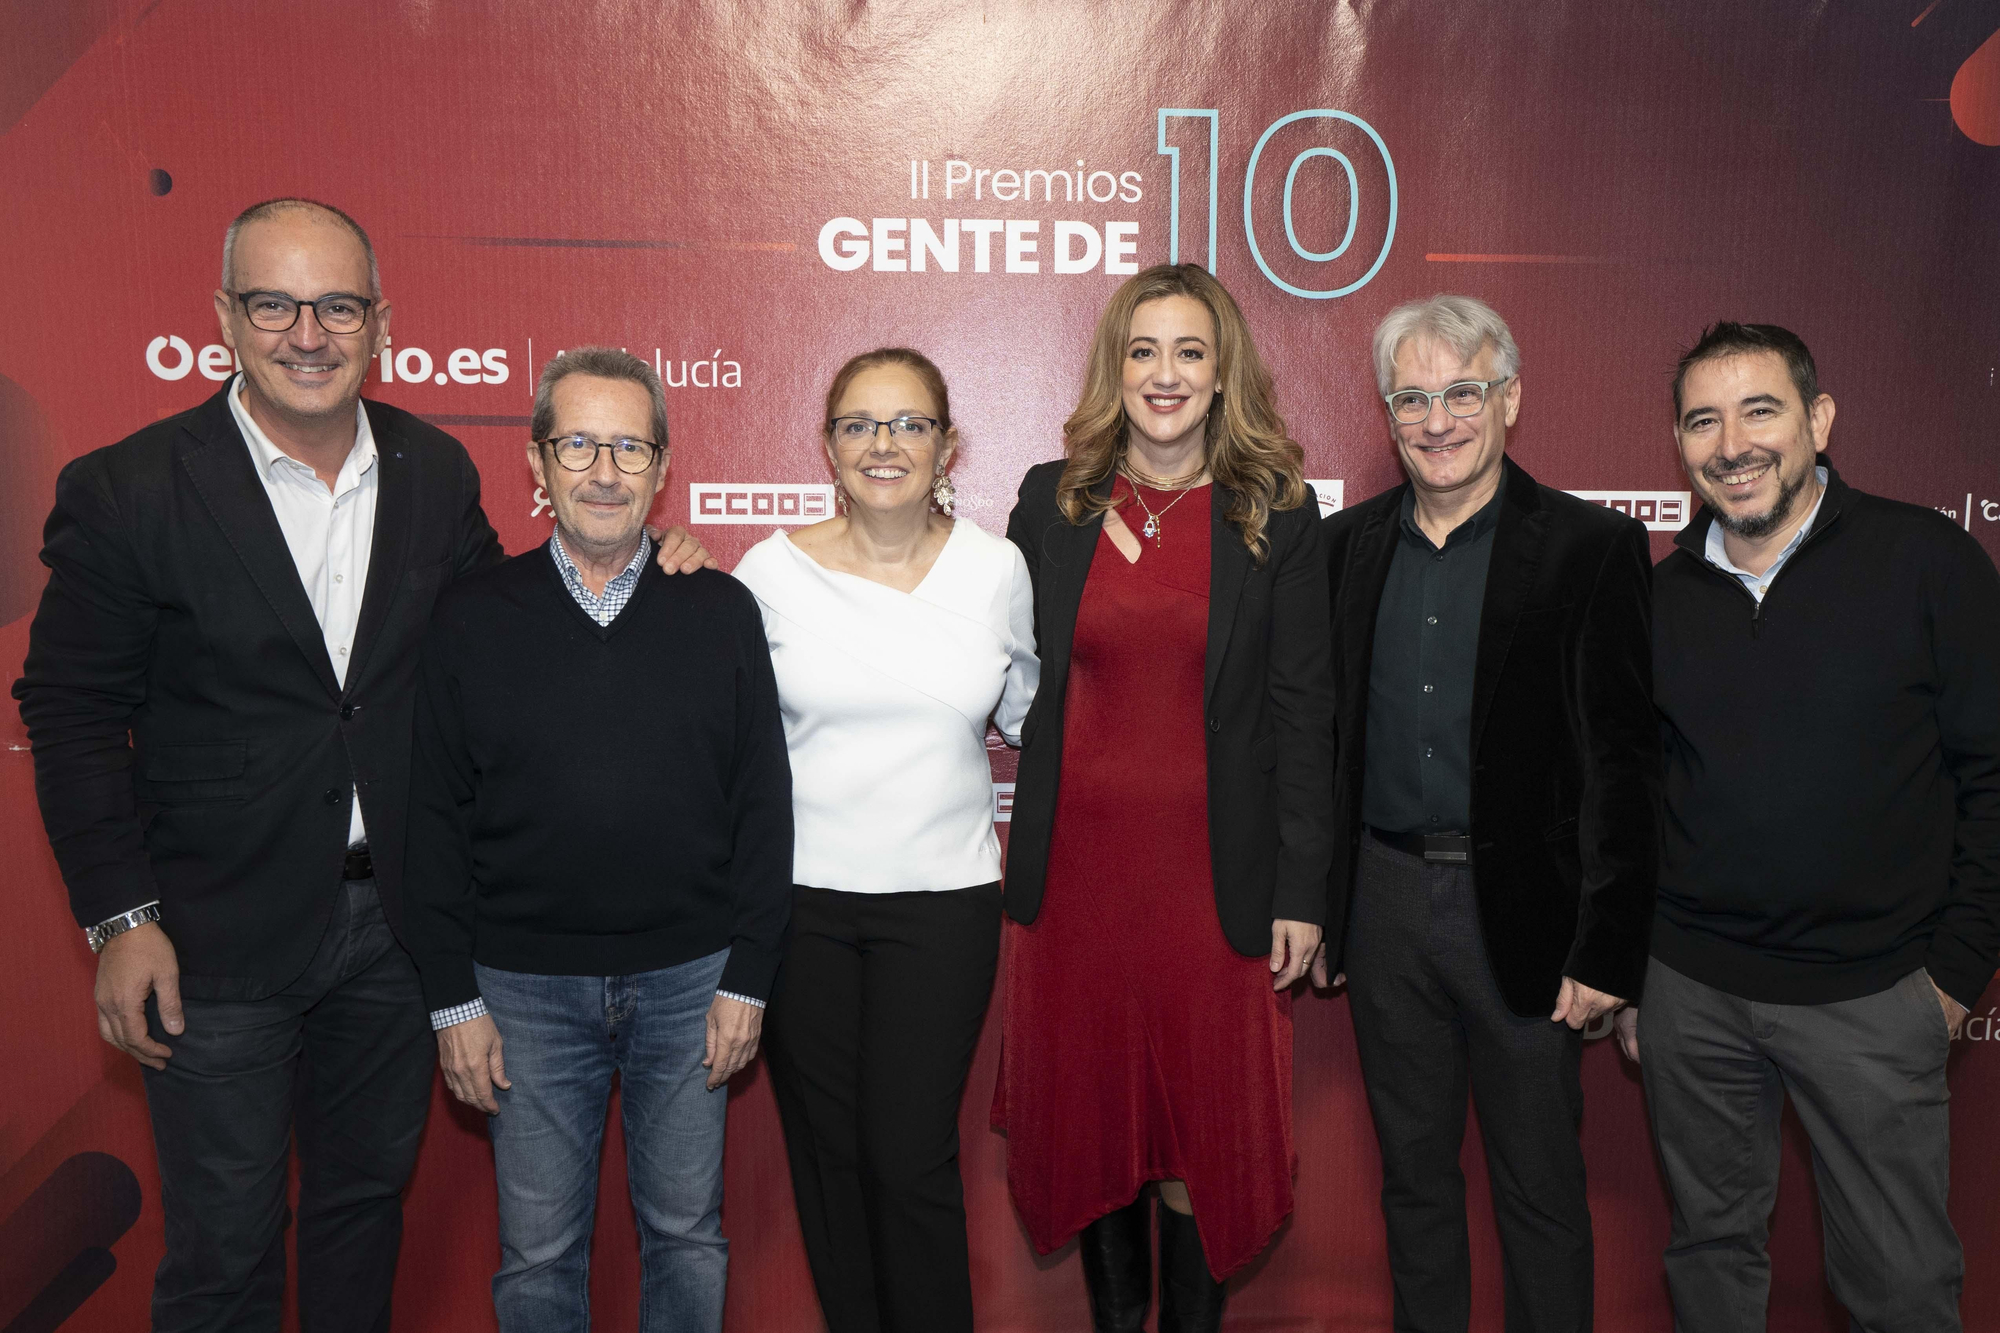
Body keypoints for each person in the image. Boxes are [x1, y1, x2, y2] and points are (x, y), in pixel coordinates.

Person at [10, 198, 711, 1332]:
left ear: (379, 321)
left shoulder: (432, 472)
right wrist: (119, 917)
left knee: (360, 1216)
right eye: (273, 303)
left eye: (336, 305)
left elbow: (514, 624)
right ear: (225, 319)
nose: (307, 332)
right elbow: (71, 709)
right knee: (224, 1246)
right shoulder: (129, 487)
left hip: (395, 934)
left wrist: (648, 557)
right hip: (210, 938)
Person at [1615, 322, 2000, 1332]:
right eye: (1702, 420)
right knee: (1708, 1265)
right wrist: (1634, 970)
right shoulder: (1655, 599)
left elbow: (1993, 775)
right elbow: (1634, 798)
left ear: (1818, 420)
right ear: (1677, 443)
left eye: (1758, 410)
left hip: (1872, 994)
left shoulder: (1924, 560)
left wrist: (1954, 973)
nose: (1730, 444)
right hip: (1691, 994)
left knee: (1900, 1285)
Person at [402, 347, 790, 1333]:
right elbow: (432, 821)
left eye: (629, 446)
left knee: (687, 1238)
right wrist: (453, 999)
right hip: (522, 993)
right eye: (578, 443)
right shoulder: (470, 615)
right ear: (536, 464)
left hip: (690, 983)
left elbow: (762, 805)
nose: (604, 470)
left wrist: (746, 978)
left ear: (662, 469)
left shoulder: (719, 609)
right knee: (535, 1257)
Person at [994, 262, 1334, 1333]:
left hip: (1213, 892)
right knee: (1098, 1134)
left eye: (1189, 350)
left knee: (1197, 1137)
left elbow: (1302, 715)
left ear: (1222, 368)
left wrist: (1302, 888)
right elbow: (976, 636)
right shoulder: (1050, 500)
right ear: (1114, 366)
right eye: (1142, 350)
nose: (1165, 373)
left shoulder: (1274, 511)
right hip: (1078, 893)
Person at [1317, 294, 1659, 1332]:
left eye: (1461, 392)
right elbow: (1320, 745)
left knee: (1537, 1189)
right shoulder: (1342, 549)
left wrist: (1606, 947)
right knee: (1411, 1182)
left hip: (1523, 910)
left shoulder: (1588, 548)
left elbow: (1621, 758)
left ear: (1507, 398)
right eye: (1410, 397)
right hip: (1380, 903)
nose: (1436, 420)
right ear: (1385, 412)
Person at [733, 347, 1037, 1333]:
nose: (884, 444)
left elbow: (1038, 717)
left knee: (908, 1155)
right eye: (859, 424)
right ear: (826, 445)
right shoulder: (765, 574)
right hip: (799, 912)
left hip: (942, 911)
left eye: (908, 423)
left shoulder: (996, 569)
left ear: (947, 442)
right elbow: (721, 735)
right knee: (827, 1158)